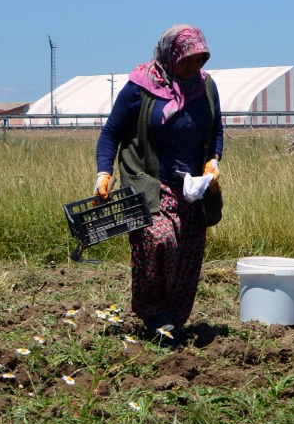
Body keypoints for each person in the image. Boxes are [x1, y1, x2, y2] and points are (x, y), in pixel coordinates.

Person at [94, 24, 224, 339]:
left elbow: (216, 130)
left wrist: (213, 161)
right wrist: (104, 173)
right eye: (187, 60)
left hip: (191, 188)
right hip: (148, 182)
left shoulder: (206, 88)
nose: (194, 68)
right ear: (169, 56)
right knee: (157, 242)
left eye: (199, 60)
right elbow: (110, 133)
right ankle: (152, 313)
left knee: (187, 256)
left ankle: (171, 320)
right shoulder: (140, 88)